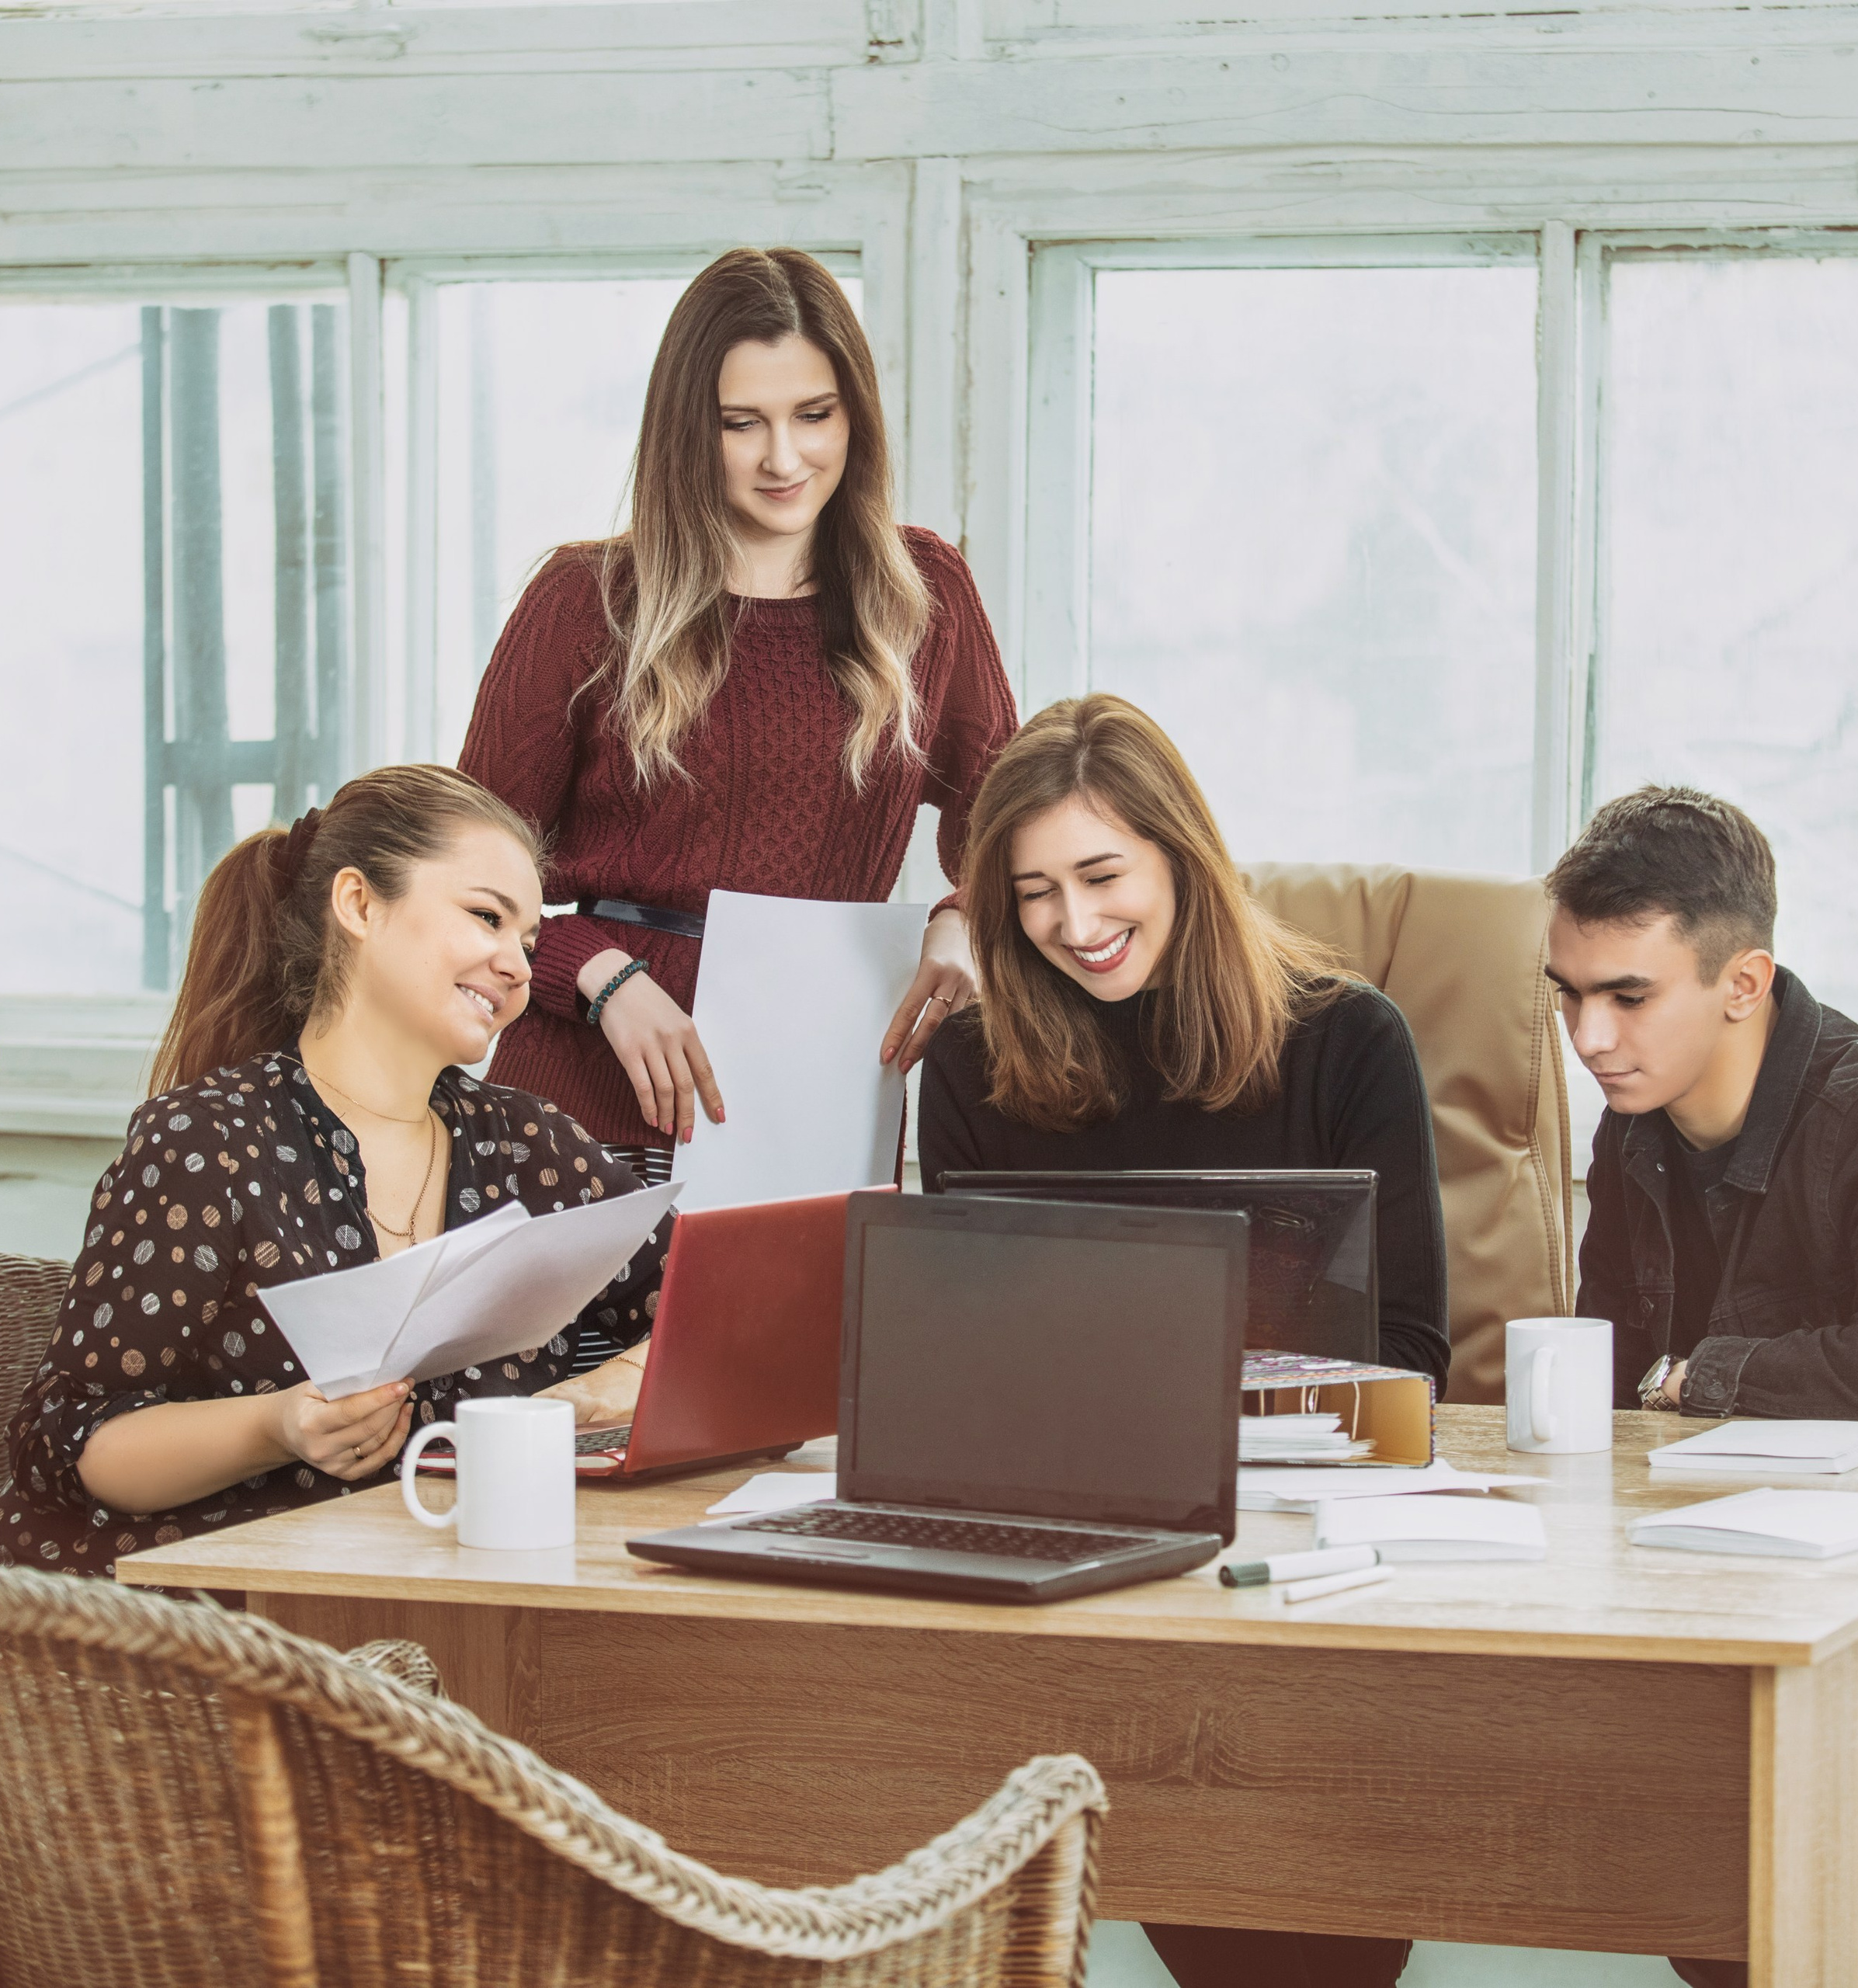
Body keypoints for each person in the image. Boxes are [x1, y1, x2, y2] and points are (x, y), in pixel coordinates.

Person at [917, 693, 1447, 1988]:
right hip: (1063, 1560)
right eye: (1035, 894)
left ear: (1180, 859)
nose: (1075, 925)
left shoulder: (1346, 1038)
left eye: (1103, 875)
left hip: (1291, 1557)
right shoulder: (974, 1061)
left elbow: (1412, 1362)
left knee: (1292, 1926)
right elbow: (965, 1374)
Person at [459, 245, 1016, 1254]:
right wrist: (606, 980)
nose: (783, 458)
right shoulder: (585, 603)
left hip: (811, 1092)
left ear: (857, 416)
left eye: (814, 414)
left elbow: (1017, 832)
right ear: (686, 429)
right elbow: (458, 888)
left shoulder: (923, 596)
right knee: (561, 1411)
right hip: (579, 1098)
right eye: (741, 422)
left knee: (785, 1401)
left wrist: (960, 923)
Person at [2, 766, 666, 1581]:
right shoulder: (207, 1143)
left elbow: (703, 1303)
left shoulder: (529, 1143)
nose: (518, 967)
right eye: (486, 917)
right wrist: (276, 1425)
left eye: (527, 944)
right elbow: (68, 1443)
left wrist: (589, 1395)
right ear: (358, 904)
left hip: (473, 1601)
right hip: (241, 1630)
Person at [1549, 784, 1858, 1431]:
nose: (1588, 1039)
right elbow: (1611, 1376)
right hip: (1686, 1504)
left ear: (1743, 985)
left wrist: (1698, 1377)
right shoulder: (1631, 1124)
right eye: (1570, 995)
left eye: (1629, 999)